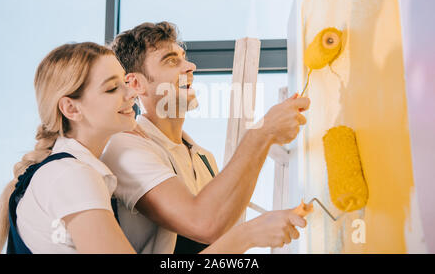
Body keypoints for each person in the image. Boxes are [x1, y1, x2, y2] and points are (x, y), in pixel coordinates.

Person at [0, 41, 306, 254]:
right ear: (71, 109)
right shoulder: (70, 176)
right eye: (112, 89)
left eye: (124, 82)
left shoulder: (80, 173)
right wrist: (246, 237)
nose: (129, 94)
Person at [101, 21, 311, 253]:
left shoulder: (203, 158)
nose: (190, 66)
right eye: (171, 60)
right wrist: (262, 134)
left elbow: (220, 241)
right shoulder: (126, 148)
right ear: (136, 84)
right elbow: (203, 223)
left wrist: (265, 137)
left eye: (184, 57)